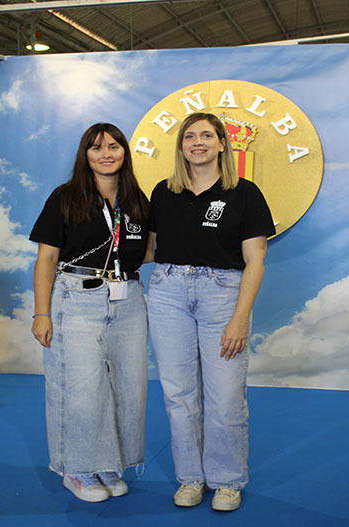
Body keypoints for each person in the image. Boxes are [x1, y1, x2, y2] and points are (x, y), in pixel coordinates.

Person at [146, 112, 274, 512]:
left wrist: (239, 317)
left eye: (206, 135)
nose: (197, 142)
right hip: (167, 292)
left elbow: (255, 261)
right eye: (189, 136)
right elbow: (149, 249)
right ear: (181, 146)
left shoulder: (245, 193)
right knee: (178, 394)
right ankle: (191, 477)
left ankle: (226, 480)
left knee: (224, 395)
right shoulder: (163, 192)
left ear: (223, 143)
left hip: (223, 295)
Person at [29, 123, 150, 503]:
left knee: (127, 387)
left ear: (124, 153)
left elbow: (148, 250)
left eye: (114, 146)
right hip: (77, 297)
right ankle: (77, 469)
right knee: (80, 387)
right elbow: (46, 258)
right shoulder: (66, 198)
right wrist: (41, 312)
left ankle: (107, 463)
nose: (106, 154)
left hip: (128, 298)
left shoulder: (136, 200)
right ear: (86, 154)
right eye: (97, 148)